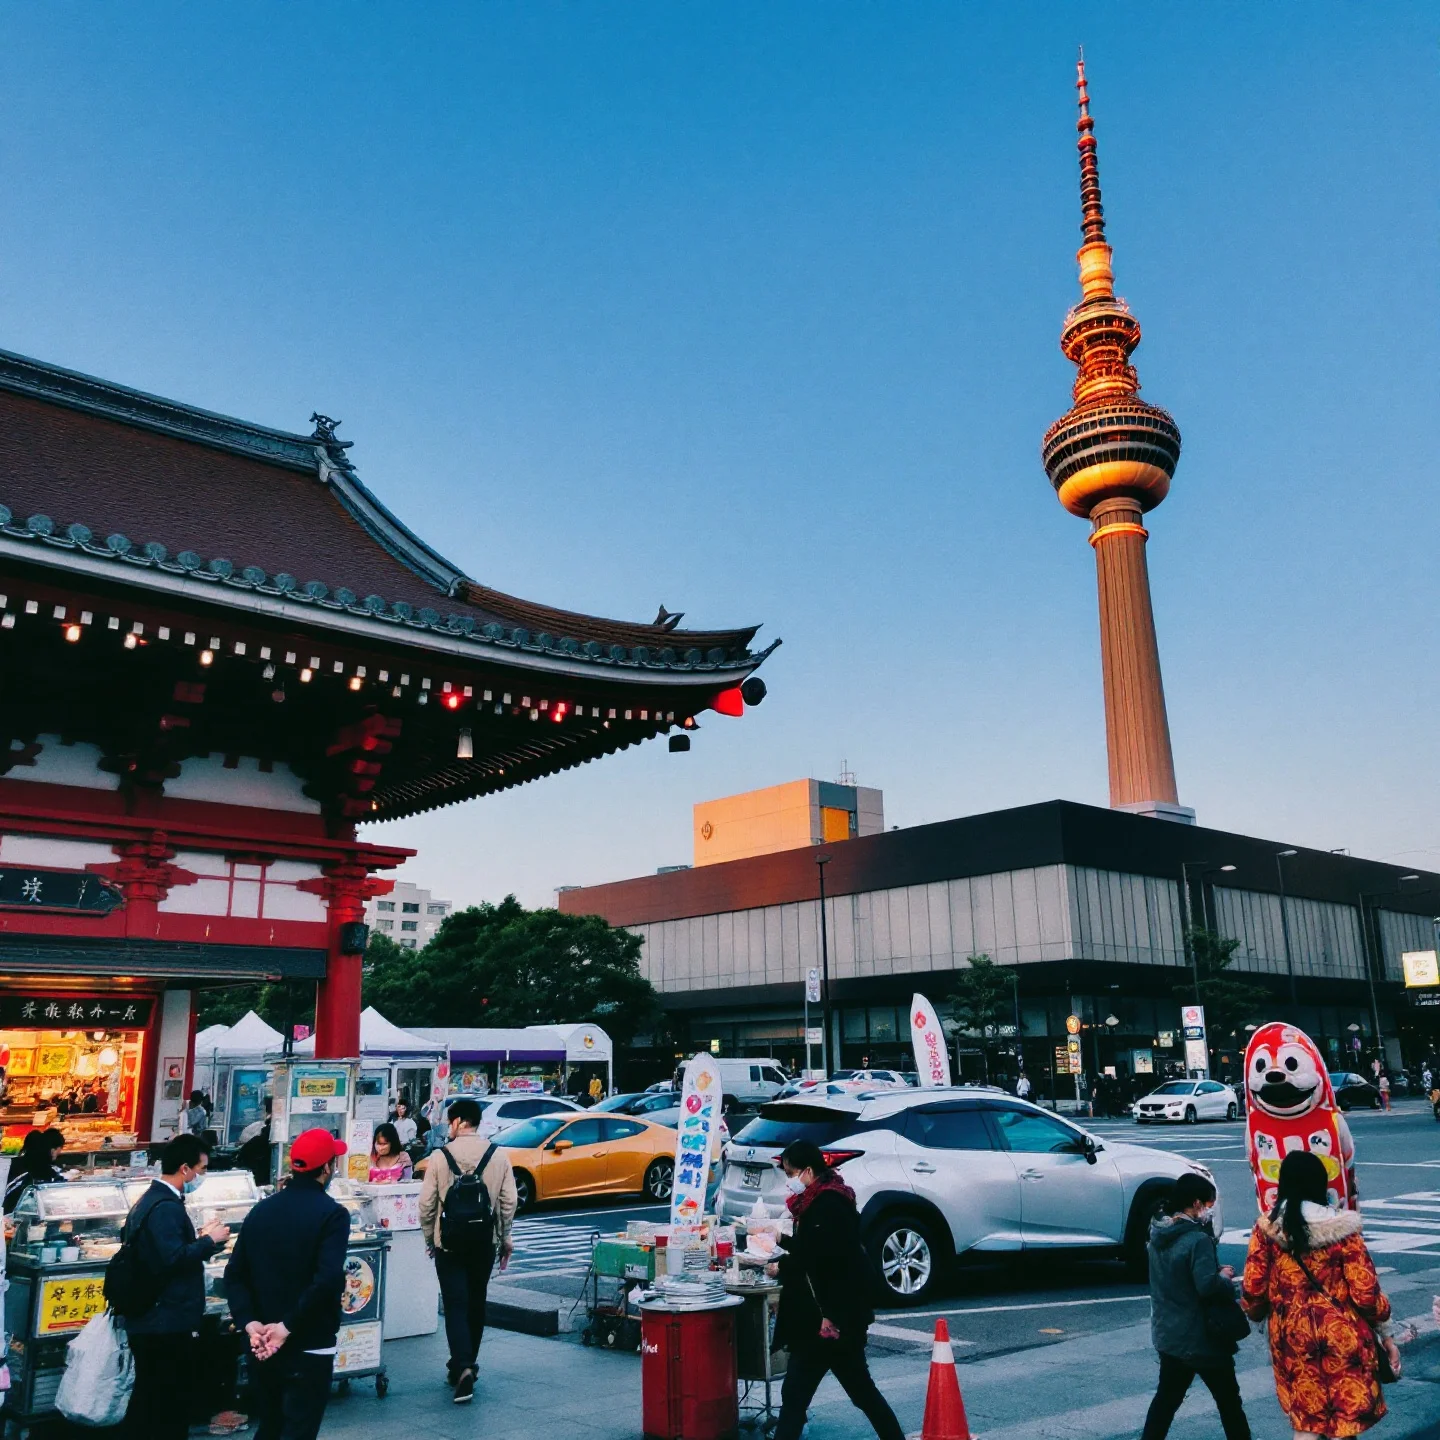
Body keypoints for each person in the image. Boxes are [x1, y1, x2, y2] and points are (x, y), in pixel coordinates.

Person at [1242, 1150, 1400, 1439]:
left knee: (1307, 1423)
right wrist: (1386, 1333)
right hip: (1343, 1336)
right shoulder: (1343, 1228)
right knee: (1344, 1422)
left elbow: (1252, 1289)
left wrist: (1263, 1317)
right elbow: (1366, 1293)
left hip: (1293, 1340)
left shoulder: (1267, 1228)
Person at [767, 1140, 905, 1440]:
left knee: (798, 1395)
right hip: (836, 1318)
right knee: (853, 1392)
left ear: (807, 1171)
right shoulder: (824, 1199)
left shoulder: (827, 1204)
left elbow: (820, 1257)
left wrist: (781, 1262)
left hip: (829, 1318)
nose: (788, 1181)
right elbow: (816, 1250)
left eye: (790, 1173)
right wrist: (783, 1244)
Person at [224, 1128, 349, 1440]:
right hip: (310, 1341)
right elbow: (326, 1279)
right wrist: (287, 1326)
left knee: (270, 1425)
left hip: (262, 1345)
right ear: (327, 1169)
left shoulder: (261, 1209)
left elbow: (235, 1272)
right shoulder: (332, 1214)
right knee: (299, 1429)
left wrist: (250, 1323)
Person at [121, 1133, 230, 1440]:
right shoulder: (166, 1206)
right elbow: (172, 1258)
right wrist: (210, 1241)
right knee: (166, 1398)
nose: (202, 1176)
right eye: (202, 1169)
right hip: (163, 1320)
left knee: (151, 1396)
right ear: (185, 1168)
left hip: (152, 1316)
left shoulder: (150, 1199)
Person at [1139, 1173, 1252, 1440]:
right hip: (1202, 1338)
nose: (1211, 1210)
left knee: (1165, 1402)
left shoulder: (1158, 1234)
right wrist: (1224, 1278)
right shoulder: (1197, 1240)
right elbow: (1206, 1287)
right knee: (1229, 1403)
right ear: (1197, 1203)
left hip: (1169, 1334)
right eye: (1209, 1204)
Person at [418, 1097, 516, 1404]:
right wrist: (504, 1237)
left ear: (460, 1122)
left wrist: (429, 1238)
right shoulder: (498, 1155)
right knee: (476, 1302)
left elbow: (426, 1205)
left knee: (455, 1304)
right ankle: (466, 1364)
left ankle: (462, 1366)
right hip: (483, 1242)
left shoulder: (440, 1156)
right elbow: (509, 1202)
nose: (449, 1127)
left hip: (449, 1242)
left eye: (451, 1121)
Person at [3, 1127, 67, 1213]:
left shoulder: (16, 1163)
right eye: (57, 1152)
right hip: (17, 1215)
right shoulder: (41, 1170)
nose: (56, 1156)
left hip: (10, 1213)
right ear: (52, 1150)